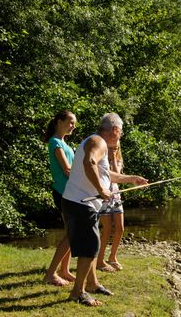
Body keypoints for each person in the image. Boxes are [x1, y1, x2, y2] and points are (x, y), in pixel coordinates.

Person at [62, 113, 148, 306]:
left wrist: (132, 178)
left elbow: (105, 173)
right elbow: (89, 162)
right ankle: (78, 292)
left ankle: (92, 283)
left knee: (92, 244)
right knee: (90, 247)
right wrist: (101, 189)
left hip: (77, 202)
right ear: (115, 130)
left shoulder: (95, 141)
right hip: (80, 203)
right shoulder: (98, 142)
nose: (121, 136)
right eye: (121, 132)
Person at [42, 110, 77, 286]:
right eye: (70, 122)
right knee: (72, 233)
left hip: (69, 192)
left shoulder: (64, 143)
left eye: (74, 123)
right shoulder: (55, 142)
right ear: (58, 122)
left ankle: (64, 270)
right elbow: (67, 169)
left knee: (70, 232)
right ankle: (51, 274)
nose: (73, 126)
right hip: (63, 193)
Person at [96, 141, 125, 272]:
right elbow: (109, 177)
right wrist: (110, 157)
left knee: (120, 228)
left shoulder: (118, 160)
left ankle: (112, 257)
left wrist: (113, 157)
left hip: (116, 196)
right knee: (107, 228)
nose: (114, 149)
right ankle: (99, 259)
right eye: (111, 147)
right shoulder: (101, 160)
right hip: (104, 197)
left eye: (116, 147)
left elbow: (117, 175)